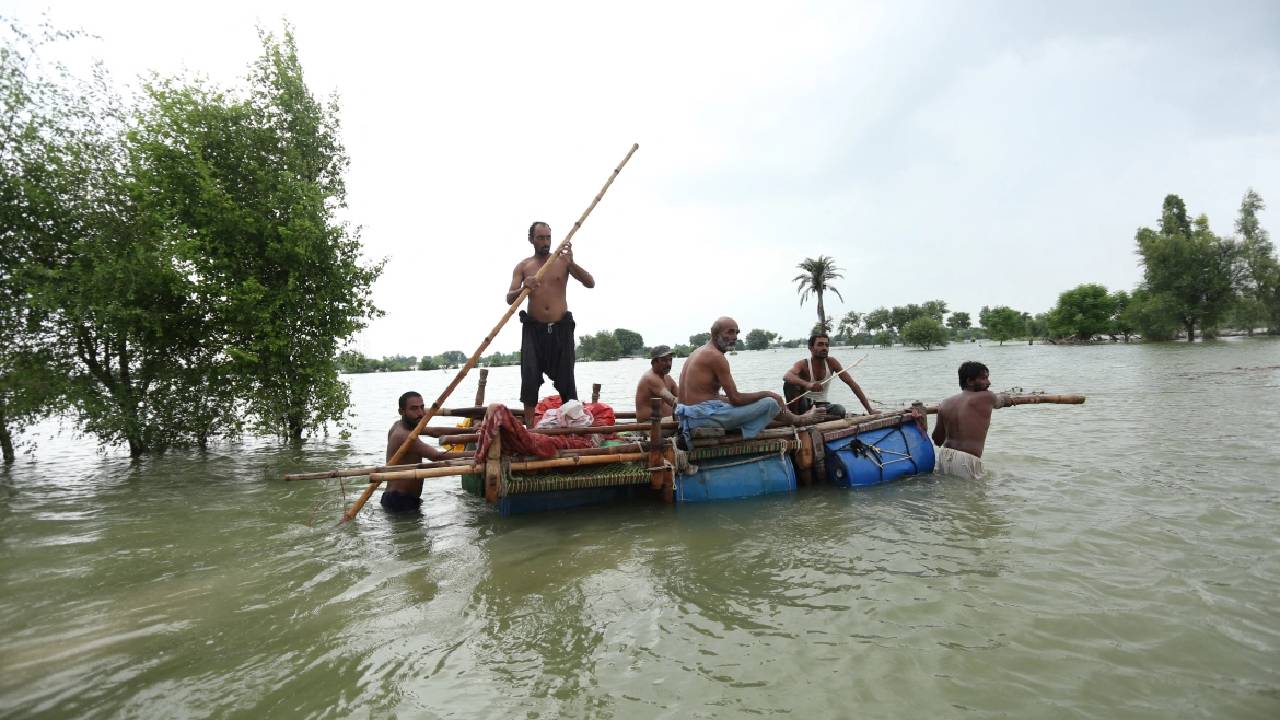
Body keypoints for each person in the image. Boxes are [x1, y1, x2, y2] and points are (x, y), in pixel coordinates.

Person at [675, 317, 815, 448]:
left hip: (690, 416)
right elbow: (736, 399)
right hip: (702, 418)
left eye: (736, 332)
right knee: (770, 403)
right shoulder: (716, 357)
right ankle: (799, 420)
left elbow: (712, 397)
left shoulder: (697, 352)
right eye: (730, 332)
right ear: (714, 333)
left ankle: (795, 418)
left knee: (758, 403)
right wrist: (770, 394)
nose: (734, 337)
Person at [506, 221, 595, 426]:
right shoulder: (523, 266)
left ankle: (573, 426)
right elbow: (509, 298)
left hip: (560, 330)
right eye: (540, 238)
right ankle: (530, 429)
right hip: (533, 331)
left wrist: (571, 263)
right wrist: (523, 287)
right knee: (529, 380)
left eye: (548, 238)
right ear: (531, 240)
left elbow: (590, 283)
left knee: (567, 381)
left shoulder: (562, 261)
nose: (545, 242)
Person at [931, 361, 1009, 479]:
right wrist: (1006, 397)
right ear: (970, 381)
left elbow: (937, 440)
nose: (989, 382)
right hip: (966, 460)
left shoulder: (945, 403)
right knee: (975, 496)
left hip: (944, 456)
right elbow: (999, 402)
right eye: (984, 378)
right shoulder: (987, 396)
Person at [382, 391, 448, 512]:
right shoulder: (403, 435)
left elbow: (434, 431)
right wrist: (477, 455)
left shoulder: (400, 424)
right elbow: (436, 456)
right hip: (400, 501)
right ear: (401, 412)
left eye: (422, 407)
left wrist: (471, 430)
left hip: (402, 499)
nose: (420, 413)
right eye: (414, 409)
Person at [781, 332, 874, 417]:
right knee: (790, 383)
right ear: (810, 347)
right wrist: (808, 384)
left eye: (827, 345)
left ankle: (813, 417)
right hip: (803, 406)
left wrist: (870, 410)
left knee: (840, 410)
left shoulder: (832, 362)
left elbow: (852, 385)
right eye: (820, 344)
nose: (824, 348)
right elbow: (786, 376)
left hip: (821, 406)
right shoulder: (803, 364)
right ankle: (797, 419)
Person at [635, 345, 679, 421]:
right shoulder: (650, 378)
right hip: (649, 426)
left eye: (670, 360)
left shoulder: (669, 379)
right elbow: (673, 401)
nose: (669, 364)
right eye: (664, 360)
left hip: (665, 422)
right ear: (653, 362)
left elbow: (683, 398)